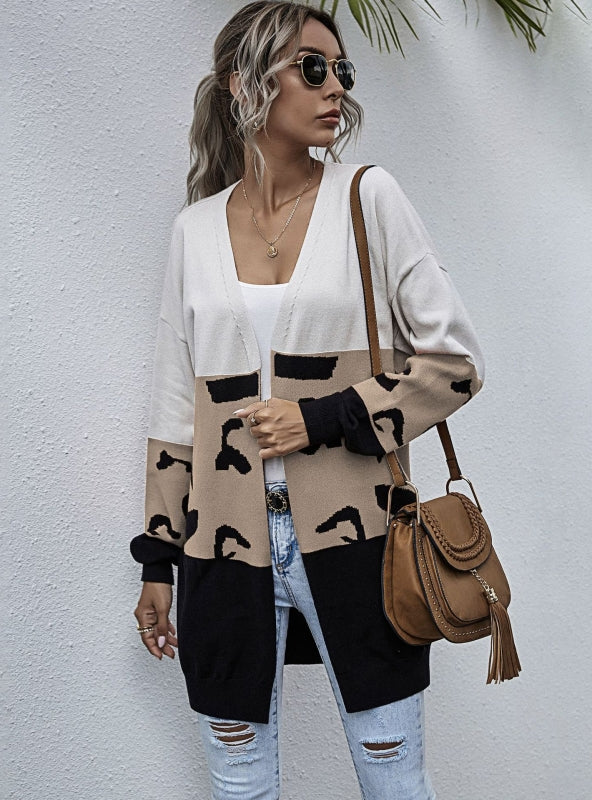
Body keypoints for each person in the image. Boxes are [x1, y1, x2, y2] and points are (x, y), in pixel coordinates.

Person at [130, 2, 484, 798]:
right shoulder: (194, 231)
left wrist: (323, 418)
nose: (336, 88)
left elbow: (458, 363)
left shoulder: (367, 197)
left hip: (361, 543)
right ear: (245, 83)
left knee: (395, 782)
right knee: (239, 786)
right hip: (222, 552)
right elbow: (174, 411)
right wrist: (156, 560)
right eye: (313, 68)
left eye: (341, 71)